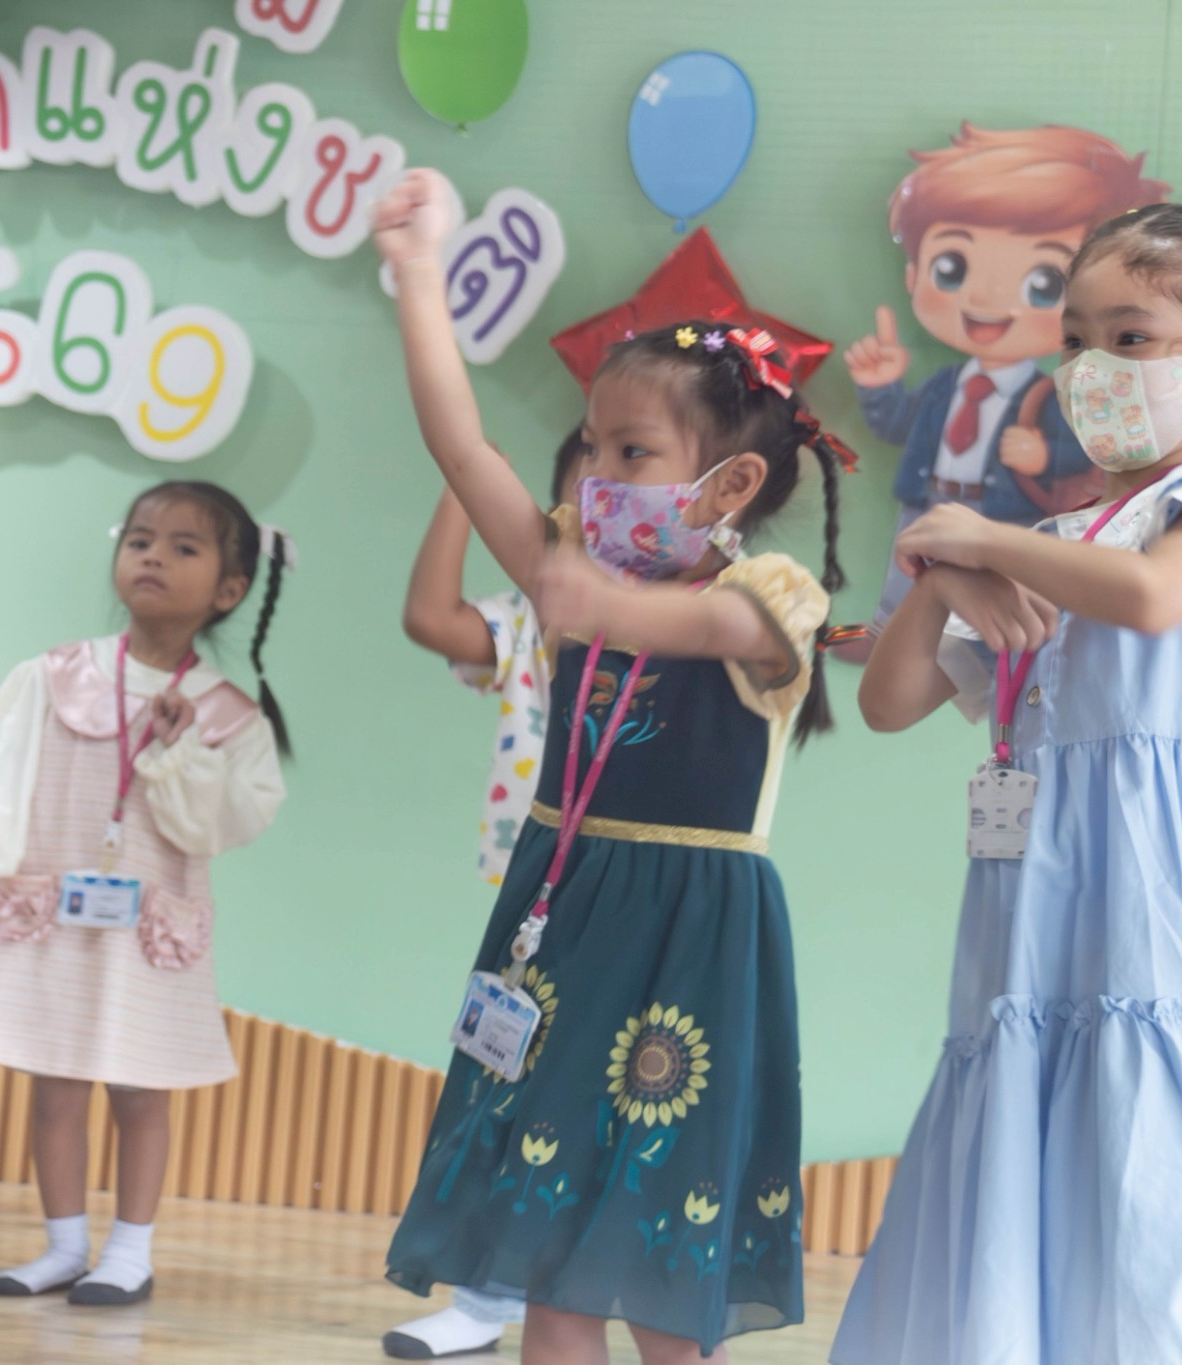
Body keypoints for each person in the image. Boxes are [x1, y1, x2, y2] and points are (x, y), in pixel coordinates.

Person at [836, 205, 1182, 1365]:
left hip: (1163, 882)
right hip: (1040, 887)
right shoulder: (1065, 533)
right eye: (1075, 337)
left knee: (1156, 1163)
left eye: (1130, 337)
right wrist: (935, 574)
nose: (1090, 367)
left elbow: (1157, 595)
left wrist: (979, 540)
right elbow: (890, 701)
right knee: (1044, 1142)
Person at [372, 168, 851, 1365]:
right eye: (591, 447)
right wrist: (419, 273)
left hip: (688, 931)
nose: (593, 475)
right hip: (561, 901)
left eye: (629, 451)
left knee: (656, 1255)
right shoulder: (570, 569)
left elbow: (722, 627)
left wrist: (603, 604)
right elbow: (461, 444)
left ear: (730, 483)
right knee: (548, 1257)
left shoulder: (772, 591)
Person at [0, 481, 291, 1308]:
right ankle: (63, 1245)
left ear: (229, 588)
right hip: (53, 919)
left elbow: (221, 824)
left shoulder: (226, 714)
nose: (154, 556)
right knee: (54, 1083)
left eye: (185, 547)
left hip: (147, 935)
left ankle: (130, 1250)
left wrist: (184, 752)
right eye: (142, 539)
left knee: (139, 1087)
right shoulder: (52, 676)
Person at [380, 431, 584, 1359]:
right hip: (538, 880)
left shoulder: (698, 615)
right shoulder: (531, 614)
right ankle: (486, 1294)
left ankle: (567, 1288)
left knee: (585, 1084)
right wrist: (464, 484)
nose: (611, 483)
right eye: (593, 462)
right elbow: (431, 618)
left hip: (639, 878)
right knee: (509, 1069)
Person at [832, 123, 1168, 661]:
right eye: (952, 267)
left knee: (1002, 592)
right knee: (908, 572)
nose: (988, 298)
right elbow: (899, 425)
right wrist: (879, 388)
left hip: (1005, 513)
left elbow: (1088, 447)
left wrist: (1043, 456)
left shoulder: (1050, 394)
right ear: (914, 273)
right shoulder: (945, 386)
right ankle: (888, 635)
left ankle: (993, 654)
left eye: (1044, 283)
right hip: (928, 498)